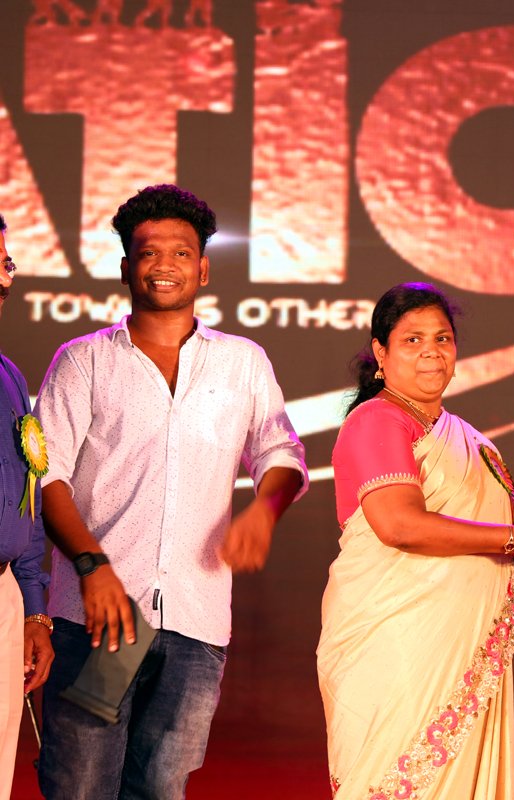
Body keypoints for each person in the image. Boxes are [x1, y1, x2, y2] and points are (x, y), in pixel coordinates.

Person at [34, 185, 308, 799]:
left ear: (203, 268)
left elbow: (281, 453)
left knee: (161, 790)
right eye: (149, 253)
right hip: (104, 623)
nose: (165, 265)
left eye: (181, 253)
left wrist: (264, 509)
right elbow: (45, 476)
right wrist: (91, 565)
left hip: (195, 621)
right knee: (81, 787)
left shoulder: (243, 362)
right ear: (125, 267)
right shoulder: (84, 362)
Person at [316, 282, 514, 799]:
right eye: (412, 340)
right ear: (380, 353)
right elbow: (400, 524)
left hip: (461, 650)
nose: (431, 352)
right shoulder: (376, 420)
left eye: (442, 338)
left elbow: (486, 544)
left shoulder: (467, 438)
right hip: (398, 648)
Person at [0, 214, 53, 800]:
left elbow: (27, 496)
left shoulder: (9, 376)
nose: (5, 277)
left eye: (6, 263)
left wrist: (35, 610)